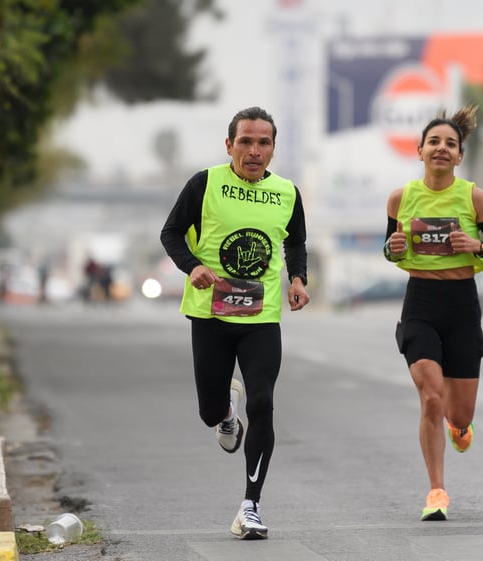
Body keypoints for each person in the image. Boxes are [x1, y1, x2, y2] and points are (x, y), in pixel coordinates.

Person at [160, 106, 310, 540]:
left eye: (263, 142)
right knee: (209, 412)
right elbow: (170, 232)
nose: (254, 150)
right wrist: (191, 267)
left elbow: (295, 240)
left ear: (273, 149)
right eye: (245, 141)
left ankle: (250, 504)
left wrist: (298, 278)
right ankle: (227, 412)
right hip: (211, 313)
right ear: (229, 145)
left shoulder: (287, 193)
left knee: (263, 403)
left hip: (261, 315)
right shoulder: (204, 184)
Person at [383, 105, 483, 521]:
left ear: (459, 156)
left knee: (458, 412)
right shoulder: (400, 198)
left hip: (461, 305)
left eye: (450, 144)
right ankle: (436, 491)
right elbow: (391, 247)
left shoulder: (474, 197)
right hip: (419, 303)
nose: (441, 148)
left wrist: (478, 247)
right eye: (433, 142)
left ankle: (460, 427)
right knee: (431, 397)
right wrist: (392, 250)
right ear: (419, 150)